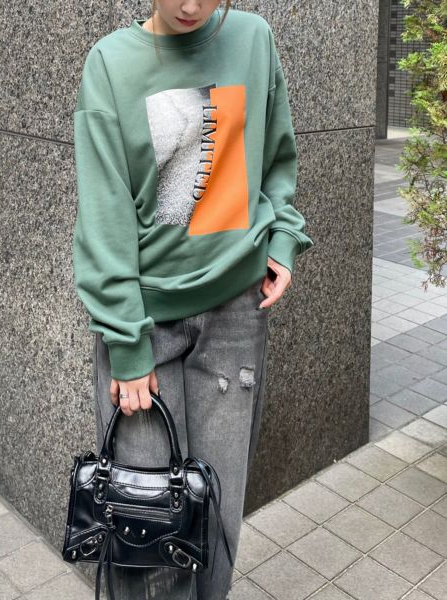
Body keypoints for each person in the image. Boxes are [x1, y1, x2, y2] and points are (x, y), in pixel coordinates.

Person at [72, 1, 314, 598]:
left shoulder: (253, 39)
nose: (189, 6)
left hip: (236, 315)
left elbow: (277, 154)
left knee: (216, 518)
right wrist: (127, 343)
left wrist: (283, 238)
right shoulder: (111, 63)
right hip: (145, 326)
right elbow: (104, 215)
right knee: (144, 530)